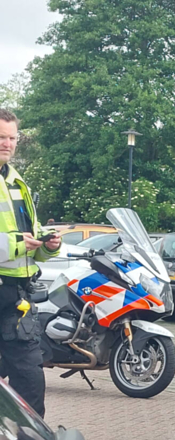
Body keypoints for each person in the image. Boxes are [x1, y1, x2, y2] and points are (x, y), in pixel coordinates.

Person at [0, 109, 61, 417]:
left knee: (30, 382)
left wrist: (47, 245)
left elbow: (29, 235)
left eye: (12, 137)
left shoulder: (15, 180)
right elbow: (17, 240)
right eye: (1, 137)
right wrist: (17, 244)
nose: (7, 143)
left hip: (15, 297)